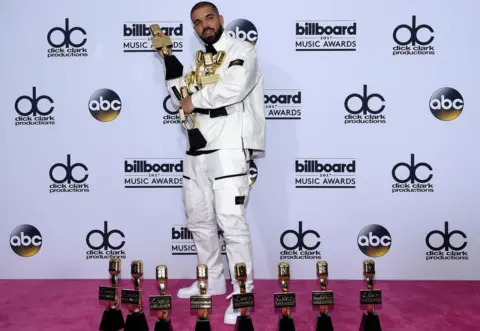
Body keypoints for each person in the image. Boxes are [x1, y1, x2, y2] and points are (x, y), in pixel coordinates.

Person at [153, 1, 265, 325]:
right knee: (199, 218)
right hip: (197, 145)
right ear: (195, 29)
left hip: (229, 145)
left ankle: (243, 292)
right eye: (198, 22)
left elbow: (233, 87)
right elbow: (180, 97)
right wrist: (169, 60)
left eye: (209, 17)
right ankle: (212, 280)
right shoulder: (196, 62)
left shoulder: (242, 48)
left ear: (221, 19)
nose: (205, 25)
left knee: (230, 221)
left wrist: (194, 100)